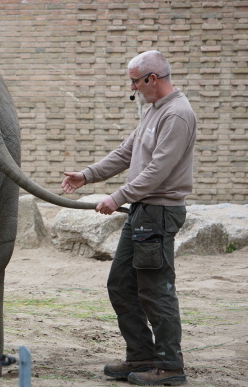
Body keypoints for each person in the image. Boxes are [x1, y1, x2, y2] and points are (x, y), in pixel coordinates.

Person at [61, 50, 196, 386]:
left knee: (155, 289)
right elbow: (127, 152)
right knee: (121, 285)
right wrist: (87, 175)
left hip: (159, 212)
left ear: (152, 79)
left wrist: (117, 197)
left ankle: (169, 366)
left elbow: (158, 170)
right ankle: (142, 356)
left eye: (134, 82)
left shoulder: (177, 115)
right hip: (143, 212)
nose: (133, 89)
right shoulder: (154, 112)